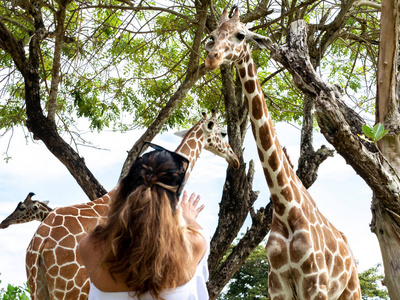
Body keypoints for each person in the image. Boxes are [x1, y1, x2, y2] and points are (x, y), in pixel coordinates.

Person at [78, 143, 210, 300]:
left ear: (124, 190)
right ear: (174, 200)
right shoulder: (194, 245)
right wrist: (188, 220)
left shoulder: (90, 246)